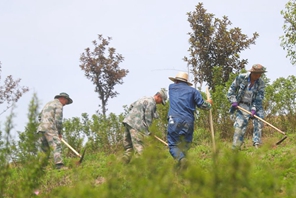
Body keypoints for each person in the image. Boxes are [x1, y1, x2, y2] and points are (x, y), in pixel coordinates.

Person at [167, 72, 212, 168]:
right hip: (188, 121)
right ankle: (182, 167)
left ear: (176, 80)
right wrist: (209, 103)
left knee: (173, 145)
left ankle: (182, 160)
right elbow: (203, 105)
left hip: (173, 119)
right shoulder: (193, 91)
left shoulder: (171, 87)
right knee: (185, 145)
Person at [122, 88, 168, 164]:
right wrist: (148, 132)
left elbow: (131, 106)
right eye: (161, 101)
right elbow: (148, 119)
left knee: (129, 148)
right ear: (158, 96)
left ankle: (121, 165)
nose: (160, 103)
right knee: (140, 149)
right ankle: (137, 171)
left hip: (128, 122)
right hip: (137, 127)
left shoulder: (144, 98)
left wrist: (133, 117)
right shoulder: (151, 103)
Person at [227, 64, 266, 149]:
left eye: (260, 74)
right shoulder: (241, 77)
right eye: (256, 74)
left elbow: (259, 98)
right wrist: (233, 101)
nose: (258, 76)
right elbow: (231, 91)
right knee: (240, 124)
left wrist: (254, 109)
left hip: (255, 104)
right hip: (242, 104)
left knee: (259, 120)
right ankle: (236, 146)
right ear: (251, 72)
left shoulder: (261, 83)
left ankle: (257, 143)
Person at [37, 92, 73, 169]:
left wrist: (44, 123)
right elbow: (58, 120)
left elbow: (39, 117)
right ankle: (59, 165)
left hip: (41, 129)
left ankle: (41, 168)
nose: (65, 104)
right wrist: (59, 133)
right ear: (63, 98)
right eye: (66, 102)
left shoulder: (48, 104)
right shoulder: (59, 105)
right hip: (50, 128)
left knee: (44, 149)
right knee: (56, 145)